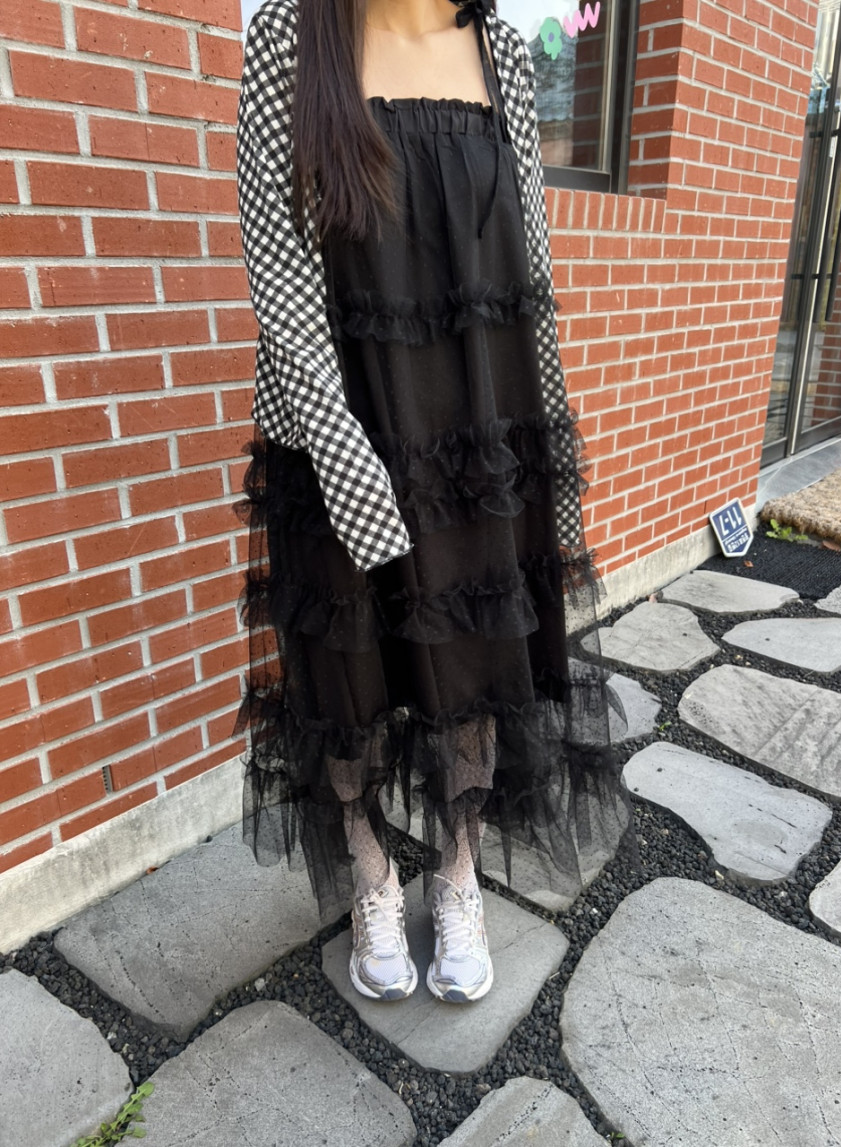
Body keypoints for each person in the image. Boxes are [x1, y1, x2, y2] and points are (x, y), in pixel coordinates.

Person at [234, 0, 638, 1004]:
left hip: (475, 431)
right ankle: (372, 871)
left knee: (476, 661)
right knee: (349, 675)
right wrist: (345, 459)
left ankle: (458, 872)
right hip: (344, 423)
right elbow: (277, 272)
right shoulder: (292, 35)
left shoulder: (499, 50)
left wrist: (543, 450)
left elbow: (527, 259)